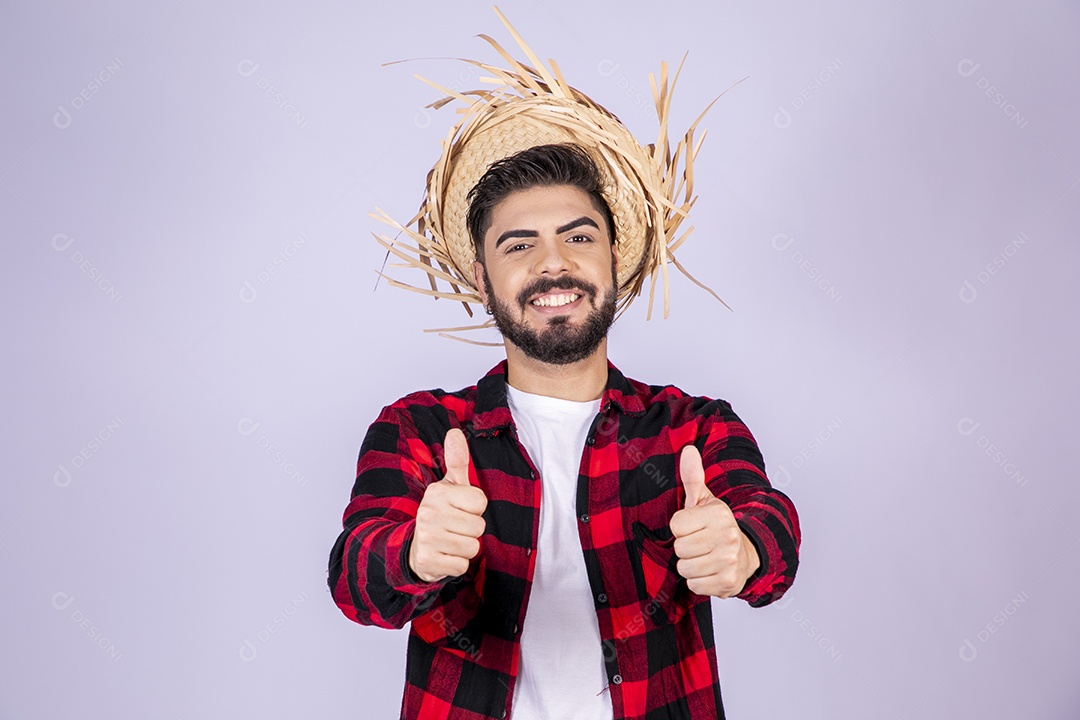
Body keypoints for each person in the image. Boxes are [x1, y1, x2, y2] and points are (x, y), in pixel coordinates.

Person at [328, 12, 800, 720]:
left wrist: (743, 550)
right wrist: (415, 553)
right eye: (518, 245)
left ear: (614, 259)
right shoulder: (419, 429)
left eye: (578, 236)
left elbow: (772, 530)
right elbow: (354, 578)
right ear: (483, 281)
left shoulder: (692, 431)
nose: (553, 262)